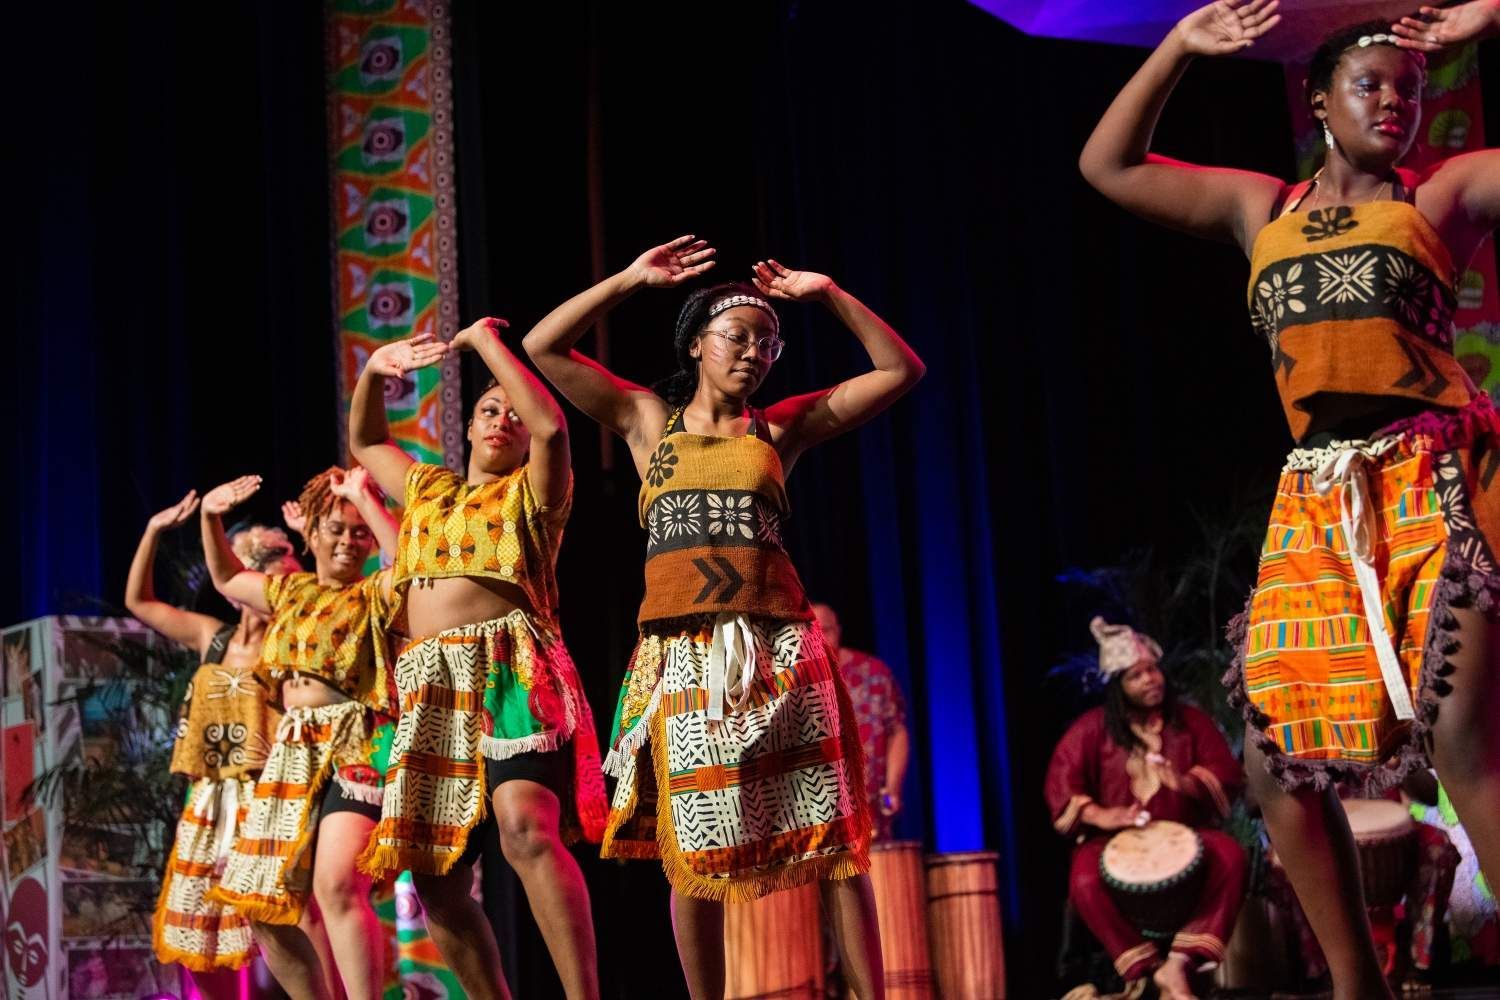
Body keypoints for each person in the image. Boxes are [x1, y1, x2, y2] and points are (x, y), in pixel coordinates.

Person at [1079, 3, 1500, 996]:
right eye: (1372, 84)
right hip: (1316, 494)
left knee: (1461, 738)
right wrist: (1181, 45)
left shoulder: (1445, 195)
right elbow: (1109, 164)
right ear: (1317, 102)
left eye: (1411, 86)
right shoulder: (1260, 208)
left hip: (1428, 473)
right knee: (1274, 761)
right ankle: (1360, 986)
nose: (1397, 100)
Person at [524, 238, 924, 999]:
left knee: (834, 839)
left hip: (780, 646)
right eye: (738, 336)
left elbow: (901, 372)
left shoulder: (780, 428)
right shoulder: (647, 420)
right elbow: (544, 345)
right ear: (697, 343)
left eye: (769, 342)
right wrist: (630, 280)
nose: (755, 352)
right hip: (686, 650)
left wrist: (830, 291)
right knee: (695, 852)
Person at [349, 321, 607, 1000]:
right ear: (466, 426)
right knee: (434, 877)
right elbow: (368, 439)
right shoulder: (427, 491)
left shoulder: (534, 492)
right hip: (433, 687)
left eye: (513, 414)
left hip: (507, 668)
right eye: (489, 409)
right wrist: (375, 371)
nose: (503, 420)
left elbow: (553, 429)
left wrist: (485, 343)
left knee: (525, 829)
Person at [127, 493, 338, 996]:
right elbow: (140, 603)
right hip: (207, 800)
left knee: (290, 920)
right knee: (198, 926)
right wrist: (154, 528)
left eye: (278, 574)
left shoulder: (292, 641)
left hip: (269, 796)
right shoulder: (214, 638)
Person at [201, 468, 398, 1000]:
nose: (348, 541)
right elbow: (224, 576)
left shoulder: (378, 591)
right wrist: (209, 516)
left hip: (359, 741)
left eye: (359, 532)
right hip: (294, 748)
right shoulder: (289, 591)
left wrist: (361, 496)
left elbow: (405, 558)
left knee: (335, 883)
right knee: (262, 902)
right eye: (336, 528)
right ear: (311, 534)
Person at [1046, 619, 1246, 1000]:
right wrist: (1101, 815)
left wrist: (1184, 782)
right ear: (1119, 687)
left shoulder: (1191, 723)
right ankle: (1144, 968)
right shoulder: (1091, 730)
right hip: (1115, 841)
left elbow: (1225, 773)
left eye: (1153, 670)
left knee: (1231, 856)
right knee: (1084, 879)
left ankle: (1179, 964)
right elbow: (1061, 783)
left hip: (1187, 834)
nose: (1150, 680)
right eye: (1136, 676)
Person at [811, 603, 910, 842]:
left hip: (870, 817)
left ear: (838, 631)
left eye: (826, 630)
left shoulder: (873, 674)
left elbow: (896, 731)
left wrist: (892, 787)